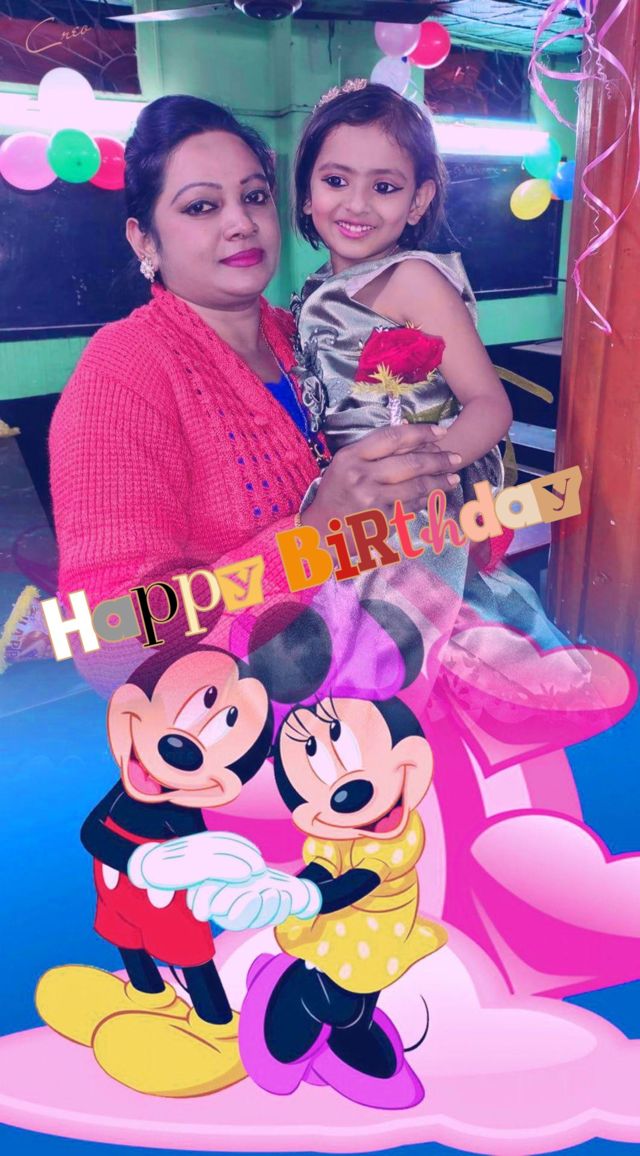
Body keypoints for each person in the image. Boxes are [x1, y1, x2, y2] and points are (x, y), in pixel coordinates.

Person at [48, 93, 462, 695]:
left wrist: (442, 489)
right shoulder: (125, 371)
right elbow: (108, 637)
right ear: (144, 240)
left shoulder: (308, 335)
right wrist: (315, 536)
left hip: (387, 684)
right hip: (248, 725)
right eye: (201, 206)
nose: (240, 222)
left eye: (254, 196)